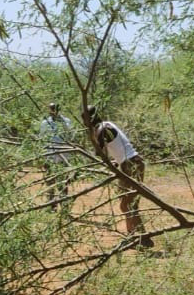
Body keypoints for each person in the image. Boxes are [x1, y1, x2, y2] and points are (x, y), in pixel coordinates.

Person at [88, 106, 151, 246]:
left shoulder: (102, 130)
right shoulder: (107, 125)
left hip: (131, 165)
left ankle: (143, 238)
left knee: (128, 204)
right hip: (128, 164)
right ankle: (133, 236)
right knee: (127, 204)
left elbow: (100, 153)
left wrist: (91, 135)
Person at [38, 102, 75, 206]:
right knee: (50, 182)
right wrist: (43, 158)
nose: (52, 111)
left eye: (54, 109)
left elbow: (71, 138)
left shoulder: (67, 122)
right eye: (51, 109)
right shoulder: (45, 123)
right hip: (50, 157)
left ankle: (64, 205)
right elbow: (42, 140)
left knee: (63, 183)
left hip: (63, 157)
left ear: (58, 110)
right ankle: (51, 205)